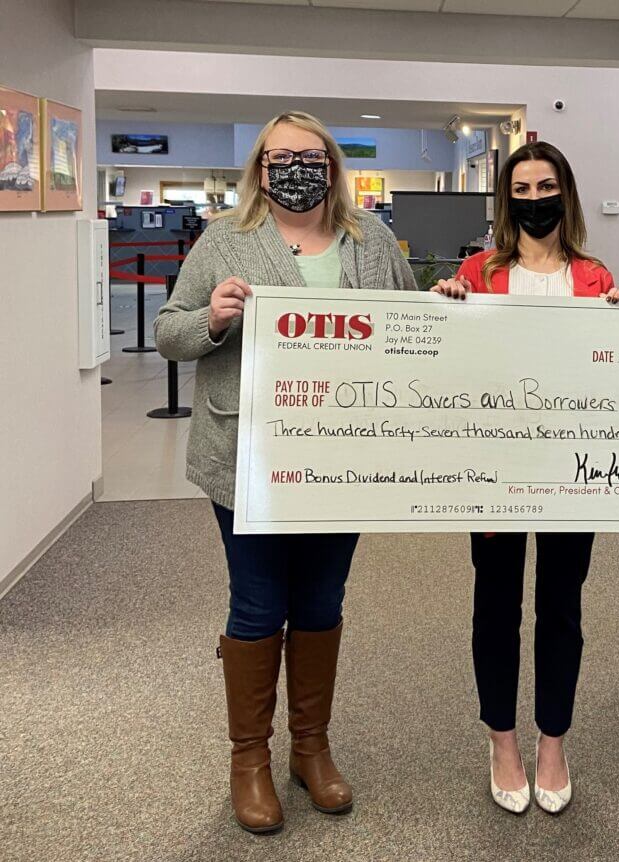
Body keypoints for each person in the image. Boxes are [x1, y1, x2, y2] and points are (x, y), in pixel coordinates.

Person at [154, 111, 416, 834]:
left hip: (343, 457)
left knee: (323, 599)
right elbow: (169, 334)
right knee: (259, 604)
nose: (294, 168)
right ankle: (248, 759)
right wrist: (212, 316)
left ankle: (311, 748)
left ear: (331, 166)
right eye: (278, 158)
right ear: (259, 170)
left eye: (308, 156)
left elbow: (413, 328)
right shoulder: (224, 240)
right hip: (251, 456)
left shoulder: (374, 241)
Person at [431, 141, 619, 815]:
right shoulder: (478, 271)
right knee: (495, 606)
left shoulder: (596, 276)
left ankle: (553, 742)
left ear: (565, 194)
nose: (535, 198)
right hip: (494, 468)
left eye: (547, 186)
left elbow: (613, 373)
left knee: (561, 607)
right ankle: (503, 741)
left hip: (571, 469)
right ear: (505, 199)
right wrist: (444, 311)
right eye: (522, 188)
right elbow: (452, 369)